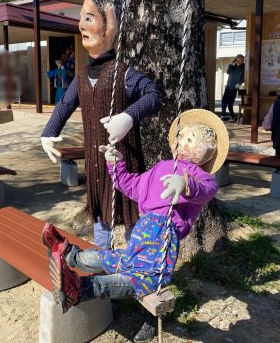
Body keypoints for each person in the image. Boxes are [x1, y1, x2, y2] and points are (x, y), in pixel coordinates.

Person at [42, 110, 226, 342]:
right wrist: (115, 164)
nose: (183, 142)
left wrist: (186, 183)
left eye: (192, 140)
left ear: (207, 152)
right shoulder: (161, 167)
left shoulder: (201, 177)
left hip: (163, 238)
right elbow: (132, 186)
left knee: (144, 278)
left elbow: (207, 191)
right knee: (116, 259)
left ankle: (80, 288)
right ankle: (71, 255)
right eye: (182, 136)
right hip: (143, 230)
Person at [41, 0, 162, 249]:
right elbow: (64, 105)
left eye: (89, 18)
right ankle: (104, 262)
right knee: (100, 214)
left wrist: (128, 116)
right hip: (96, 165)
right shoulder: (82, 76)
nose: (81, 26)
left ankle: (134, 263)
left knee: (130, 212)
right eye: (81, 19)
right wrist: (48, 132)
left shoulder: (124, 74)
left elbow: (154, 96)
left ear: (111, 25)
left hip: (124, 163)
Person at [221, 54, 245, 121]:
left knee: (230, 103)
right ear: (236, 59)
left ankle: (232, 116)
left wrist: (239, 83)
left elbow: (243, 77)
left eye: (240, 60)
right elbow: (228, 72)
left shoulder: (243, 67)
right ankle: (223, 115)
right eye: (238, 60)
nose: (239, 61)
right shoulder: (232, 66)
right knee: (224, 101)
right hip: (228, 86)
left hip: (234, 88)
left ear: (242, 60)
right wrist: (231, 64)